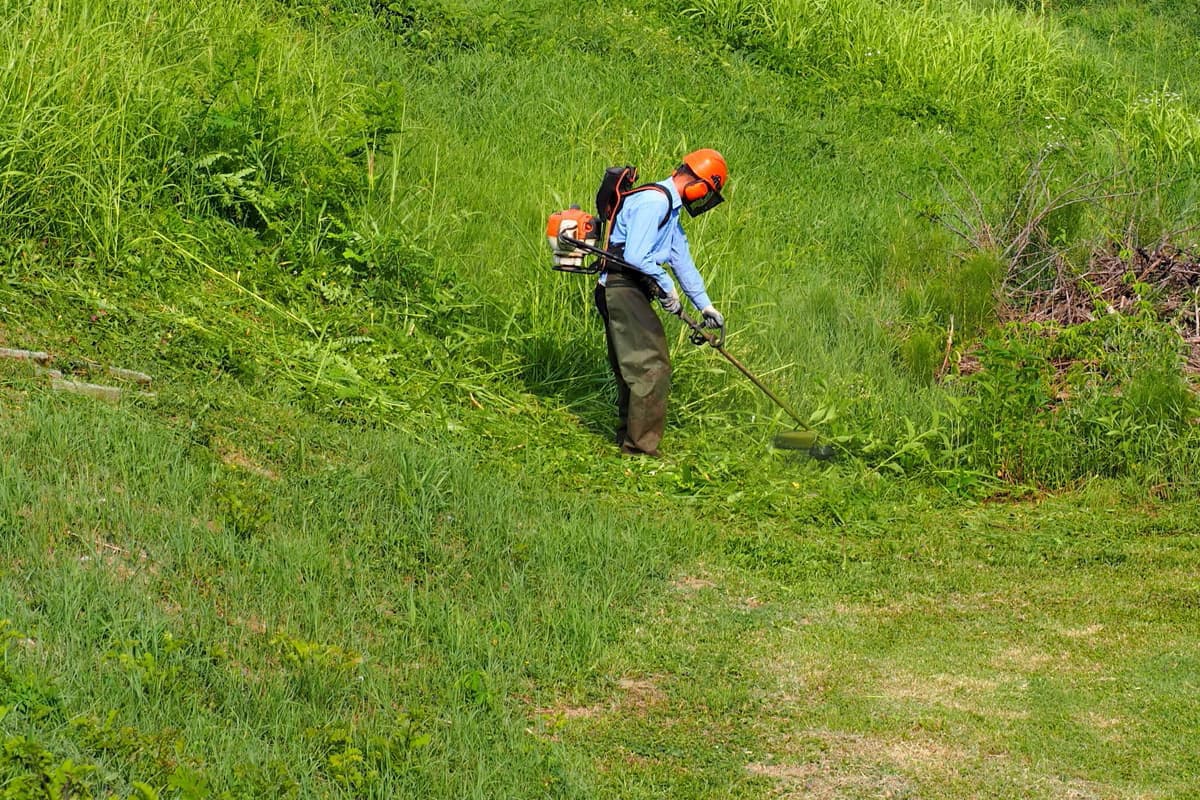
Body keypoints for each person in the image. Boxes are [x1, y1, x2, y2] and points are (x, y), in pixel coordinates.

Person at [593, 148, 728, 457]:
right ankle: (639, 450)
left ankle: (629, 437)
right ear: (698, 183)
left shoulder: (671, 210)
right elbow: (636, 257)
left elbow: (683, 262)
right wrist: (668, 289)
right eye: (708, 191)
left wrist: (705, 306)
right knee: (651, 367)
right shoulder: (655, 202)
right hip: (621, 287)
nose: (703, 199)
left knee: (637, 365)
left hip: (632, 288)